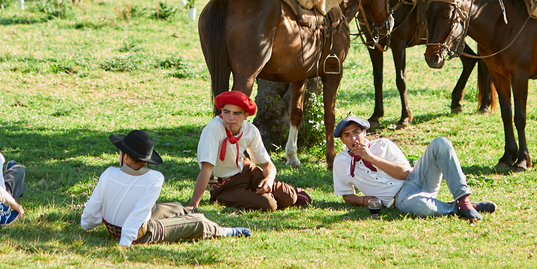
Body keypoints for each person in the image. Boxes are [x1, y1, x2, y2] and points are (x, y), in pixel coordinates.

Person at [81, 129, 251, 246]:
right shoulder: (154, 178)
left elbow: (94, 205)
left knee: (176, 207)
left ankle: (191, 216)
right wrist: (125, 242)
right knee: (198, 223)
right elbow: (138, 214)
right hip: (139, 233)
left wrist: (86, 224)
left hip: (119, 227)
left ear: (125, 157)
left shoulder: (109, 173)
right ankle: (226, 231)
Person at [331, 115, 496, 221]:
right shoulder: (341, 161)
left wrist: (371, 158)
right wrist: (364, 200)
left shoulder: (383, 144)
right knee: (420, 207)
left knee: (441, 143)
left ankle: (464, 201)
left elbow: (405, 174)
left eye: (356, 132)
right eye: (347, 135)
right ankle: (458, 208)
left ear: (365, 133)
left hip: (415, 181)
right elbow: (347, 195)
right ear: (343, 140)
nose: (354, 138)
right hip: (399, 200)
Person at [187, 91, 309, 212]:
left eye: (236, 113)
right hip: (223, 185)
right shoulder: (213, 129)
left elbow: (267, 165)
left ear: (246, 116)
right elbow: (206, 169)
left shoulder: (250, 130)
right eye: (226, 112)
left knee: (290, 198)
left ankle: (286, 193)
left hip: (246, 172)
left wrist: (269, 180)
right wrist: (193, 205)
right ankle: (231, 197)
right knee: (269, 204)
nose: (230, 118)